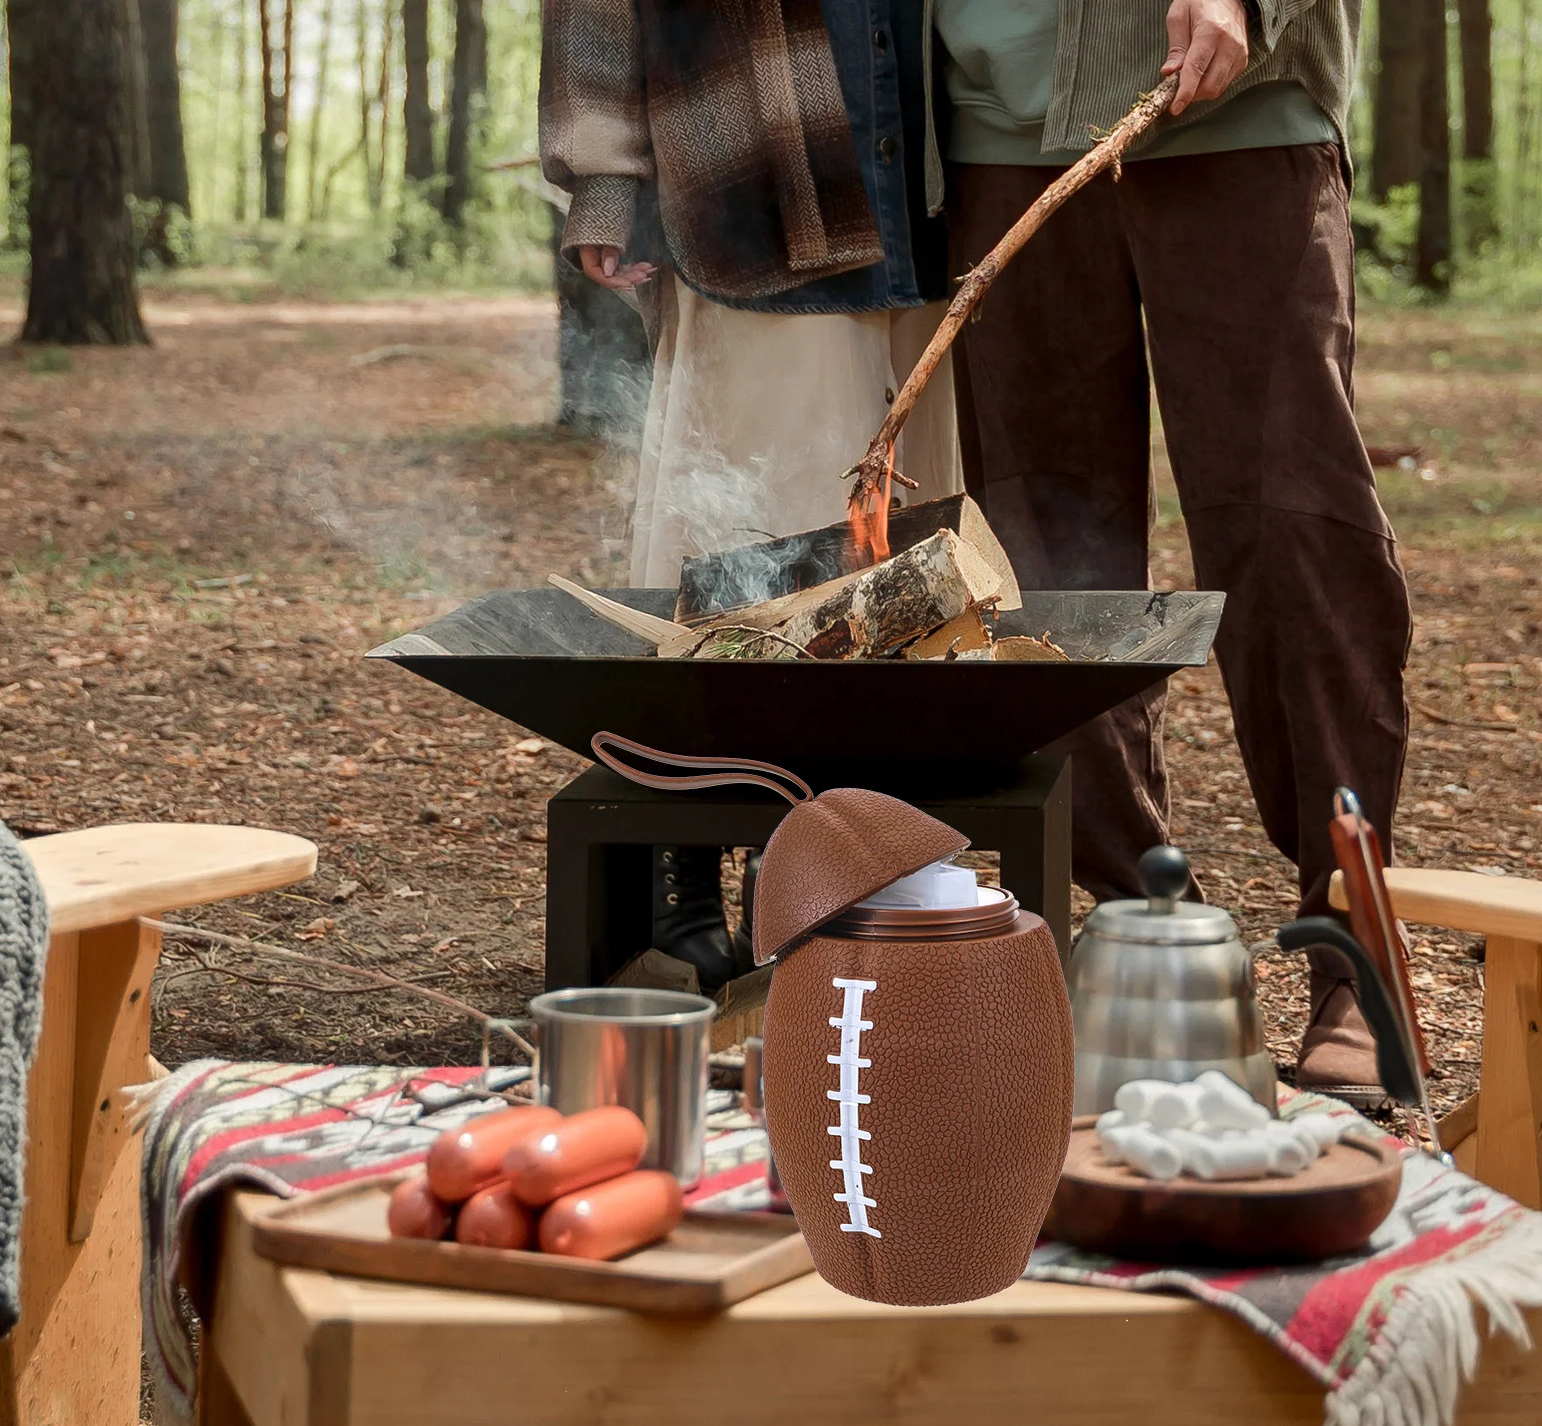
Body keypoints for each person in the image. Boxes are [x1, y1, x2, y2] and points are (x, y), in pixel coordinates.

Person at [932, 0, 1412, 1103]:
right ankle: (1134, 921)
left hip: (1233, 104)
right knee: (1044, 545)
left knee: (1294, 529)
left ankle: (1354, 951)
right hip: (994, 122)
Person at [541, 0, 963, 989]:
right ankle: (687, 871)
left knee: (909, 566)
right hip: (751, 168)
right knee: (742, 539)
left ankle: (855, 864)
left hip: (935, 182)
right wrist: (606, 180)